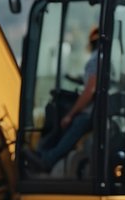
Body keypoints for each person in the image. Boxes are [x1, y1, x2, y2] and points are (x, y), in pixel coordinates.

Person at [24, 26, 100, 174]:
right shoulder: (109, 58)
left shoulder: (95, 60)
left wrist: (70, 115)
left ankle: (47, 158)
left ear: (91, 43)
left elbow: (89, 91)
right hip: (103, 110)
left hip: (92, 112)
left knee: (67, 120)